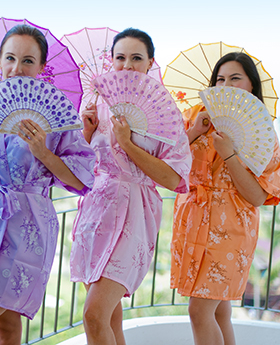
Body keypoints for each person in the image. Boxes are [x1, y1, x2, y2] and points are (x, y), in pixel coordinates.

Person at [0, 25, 96, 345]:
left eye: (28, 60)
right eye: (10, 58)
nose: (17, 68)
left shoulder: (57, 115)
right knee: (7, 328)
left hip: (28, 228)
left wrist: (44, 152)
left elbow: (83, 177)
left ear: (42, 67)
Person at [70, 28, 193, 345]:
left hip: (135, 214)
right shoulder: (96, 102)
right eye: (120, 57)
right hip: (96, 211)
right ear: (110, 61)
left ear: (150, 62)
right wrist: (86, 133)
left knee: (93, 316)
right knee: (110, 318)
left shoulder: (164, 112)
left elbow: (173, 178)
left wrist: (127, 144)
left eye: (136, 58)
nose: (127, 65)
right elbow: (79, 163)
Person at [170, 52, 280, 345]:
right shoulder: (196, 117)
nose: (226, 85)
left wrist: (229, 153)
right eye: (220, 79)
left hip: (230, 229)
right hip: (193, 221)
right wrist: (194, 132)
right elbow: (168, 162)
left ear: (251, 85)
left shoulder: (261, 131)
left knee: (199, 311)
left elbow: (257, 196)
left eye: (235, 78)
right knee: (219, 311)